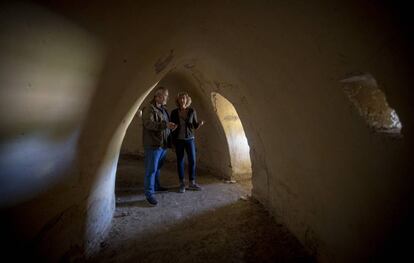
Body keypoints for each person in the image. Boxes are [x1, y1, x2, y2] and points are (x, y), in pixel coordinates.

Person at [142, 87, 177, 205]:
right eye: (165, 96)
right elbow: (148, 124)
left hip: (163, 144)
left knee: (157, 168)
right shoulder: (149, 108)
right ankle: (149, 193)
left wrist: (169, 126)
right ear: (158, 97)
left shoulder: (162, 108)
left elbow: (164, 125)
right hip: (154, 144)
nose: (167, 98)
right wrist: (165, 125)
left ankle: (156, 186)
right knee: (151, 169)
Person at [170, 92, 205, 193]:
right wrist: (172, 143)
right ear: (178, 100)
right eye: (180, 98)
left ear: (187, 100)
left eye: (184, 98)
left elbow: (194, 125)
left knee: (192, 161)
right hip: (178, 140)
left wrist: (199, 124)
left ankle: (192, 183)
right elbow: (171, 128)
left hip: (190, 139)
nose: (182, 100)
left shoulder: (192, 111)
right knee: (180, 161)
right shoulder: (173, 112)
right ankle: (181, 183)